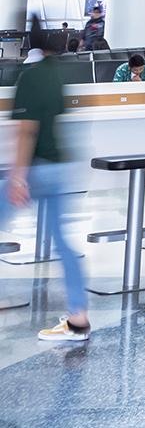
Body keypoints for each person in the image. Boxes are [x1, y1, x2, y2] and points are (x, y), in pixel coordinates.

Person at [7, 28, 90, 341]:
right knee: (64, 243)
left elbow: (27, 131)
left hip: (37, 169)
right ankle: (78, 318)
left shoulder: (29, 77)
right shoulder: (58, 75)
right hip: (61, 165)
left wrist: (17, 176)